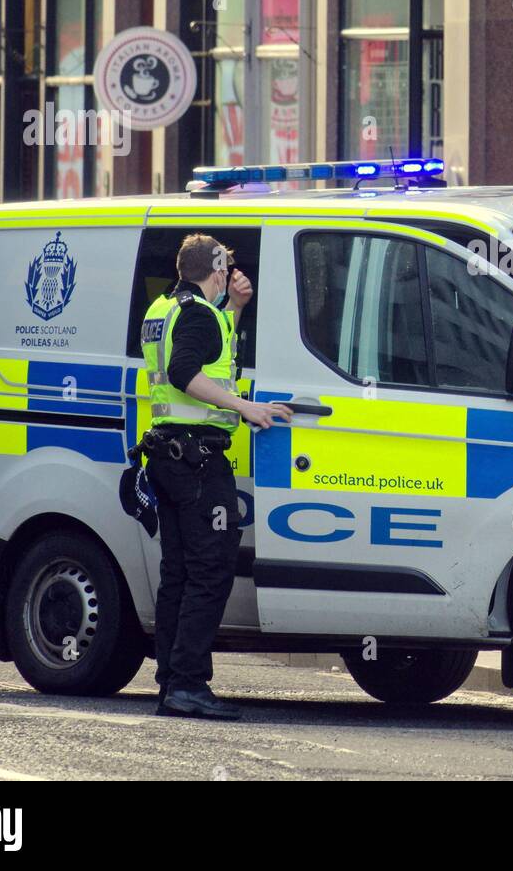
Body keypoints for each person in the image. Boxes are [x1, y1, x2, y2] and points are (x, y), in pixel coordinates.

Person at [140, 234, 292, 719]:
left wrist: (235, 306)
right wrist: (245, 407)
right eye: (227, 269)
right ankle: (187, 684)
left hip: (169, 457)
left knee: (178, 574)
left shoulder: (165, 306)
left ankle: (171, 682)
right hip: (197, 461)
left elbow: (208, 350)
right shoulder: (199, 315)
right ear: (218, 270)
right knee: (209, 573)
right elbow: (188, 370)